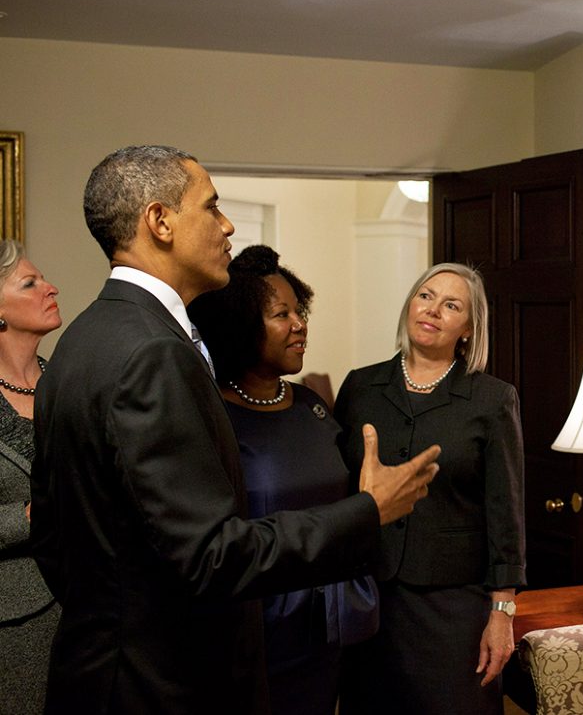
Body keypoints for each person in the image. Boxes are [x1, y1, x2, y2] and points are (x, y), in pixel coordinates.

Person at [30, 145, 440, 715]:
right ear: (160, 221)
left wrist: (113, 619)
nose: (227, 226)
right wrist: (368, 510)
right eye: (212, 207)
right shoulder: (154, 352)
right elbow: (212, 557)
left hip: (101, 672)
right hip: (161, 686)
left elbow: (51, 538)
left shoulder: (80, 340)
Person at [189, 245, 380, 715]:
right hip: (254, 630)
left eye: (300, 310)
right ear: (239, 325)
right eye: (281, 314)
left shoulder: (311, 405)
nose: (300, 325)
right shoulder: (213, 416)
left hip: (326, 629)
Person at [336, 262, 525, 715]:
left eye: (451, 305)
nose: (433, 309)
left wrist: (502, 614)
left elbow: (506, 510)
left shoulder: (493, 399)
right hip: (370, 600)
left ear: (468, 328)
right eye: (426, 296)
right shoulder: (361, 385)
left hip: (453, 609)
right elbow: (337, 489)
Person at [0, 241, 61, 714]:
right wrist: (28, 515)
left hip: (89, 611)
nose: (50, 288)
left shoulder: (66, 381)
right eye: (30, 283)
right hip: (13, 627)